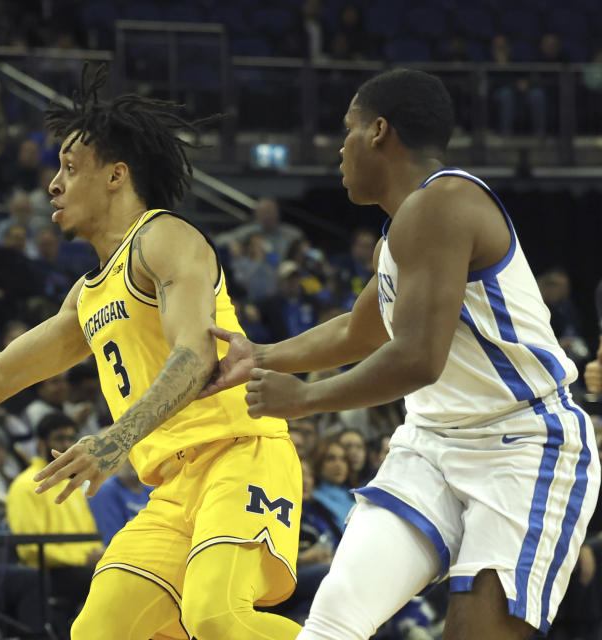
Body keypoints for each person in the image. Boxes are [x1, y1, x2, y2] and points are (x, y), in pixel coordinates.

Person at [0, 65, 302, 639]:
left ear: (117, 176)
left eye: (71, 169)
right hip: (172, 486)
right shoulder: (88, 296)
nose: (54, 184)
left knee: (216, 616)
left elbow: (194, 356)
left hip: (238, 453)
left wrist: (113, 442)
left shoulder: (164, 238)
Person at [206, 68, 601, 639]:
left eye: (348, 129)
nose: (339, 148)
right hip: (432, 443)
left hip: (523, 442)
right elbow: (355, 333)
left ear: (379, 131)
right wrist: (262, 354)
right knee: (332, 621)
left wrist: (307, 399)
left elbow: (418, 358)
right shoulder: (403, 229)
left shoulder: (444, 202)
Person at [6, 412, 104, 619]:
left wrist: (97, 554)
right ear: (42, 443)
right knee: (106, 581)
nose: (68, 445)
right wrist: (83, 557)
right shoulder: (25, 486)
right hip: (49, 573)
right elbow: (30, 549)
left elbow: (90, 536)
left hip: (79, 568)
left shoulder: (73, 485)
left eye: (71, 438)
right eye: (60, 438)